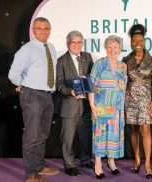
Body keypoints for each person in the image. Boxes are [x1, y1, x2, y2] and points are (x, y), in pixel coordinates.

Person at [8, 17, 59, 182]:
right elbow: (13, 74)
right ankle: (31, 174)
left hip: (47, 95)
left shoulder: (50, 47)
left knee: (42, 135)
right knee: (32, 135)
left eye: (46, 28)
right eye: (39, 28)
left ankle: (40, 167)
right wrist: (24, 87)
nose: (43, 31)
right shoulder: (27, 49)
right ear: (33, 30)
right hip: (33, 96)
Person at [55, 31, 94, 176]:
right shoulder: (61, 61)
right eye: (74, 42)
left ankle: (86, 160)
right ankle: (69, 164)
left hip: (85, 105)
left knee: (85, 136)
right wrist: (70, 91)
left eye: (79, 42)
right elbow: (58, 85)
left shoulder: (87, 57)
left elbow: (94, 75)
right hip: (69, 105)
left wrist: (87, 77)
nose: (77, 45)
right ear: (68, 44)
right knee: (68, 138)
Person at [123, 24, 152, 179]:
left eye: (141, 40)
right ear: (131, 42)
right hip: (130, 101)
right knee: (133, 130)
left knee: (145, 130)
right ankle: (137, 160)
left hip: (146, 101)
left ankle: (148, 163)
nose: (138, 42)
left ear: (144, 41)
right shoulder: (126, 60)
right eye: (135, 40)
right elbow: (122, 81)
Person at [88, 35, 127, 179]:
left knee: (114, 136)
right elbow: (91, 84)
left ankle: (111, 162)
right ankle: (98, 163)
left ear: (119, 48)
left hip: (117, 109)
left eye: (115, 47)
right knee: (100, 136)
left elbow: (124, 86)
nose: (113, 50)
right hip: (102, 106)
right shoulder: (100, 64)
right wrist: (92, 105)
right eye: (110, 47)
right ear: (106, 48)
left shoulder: (123, 66)